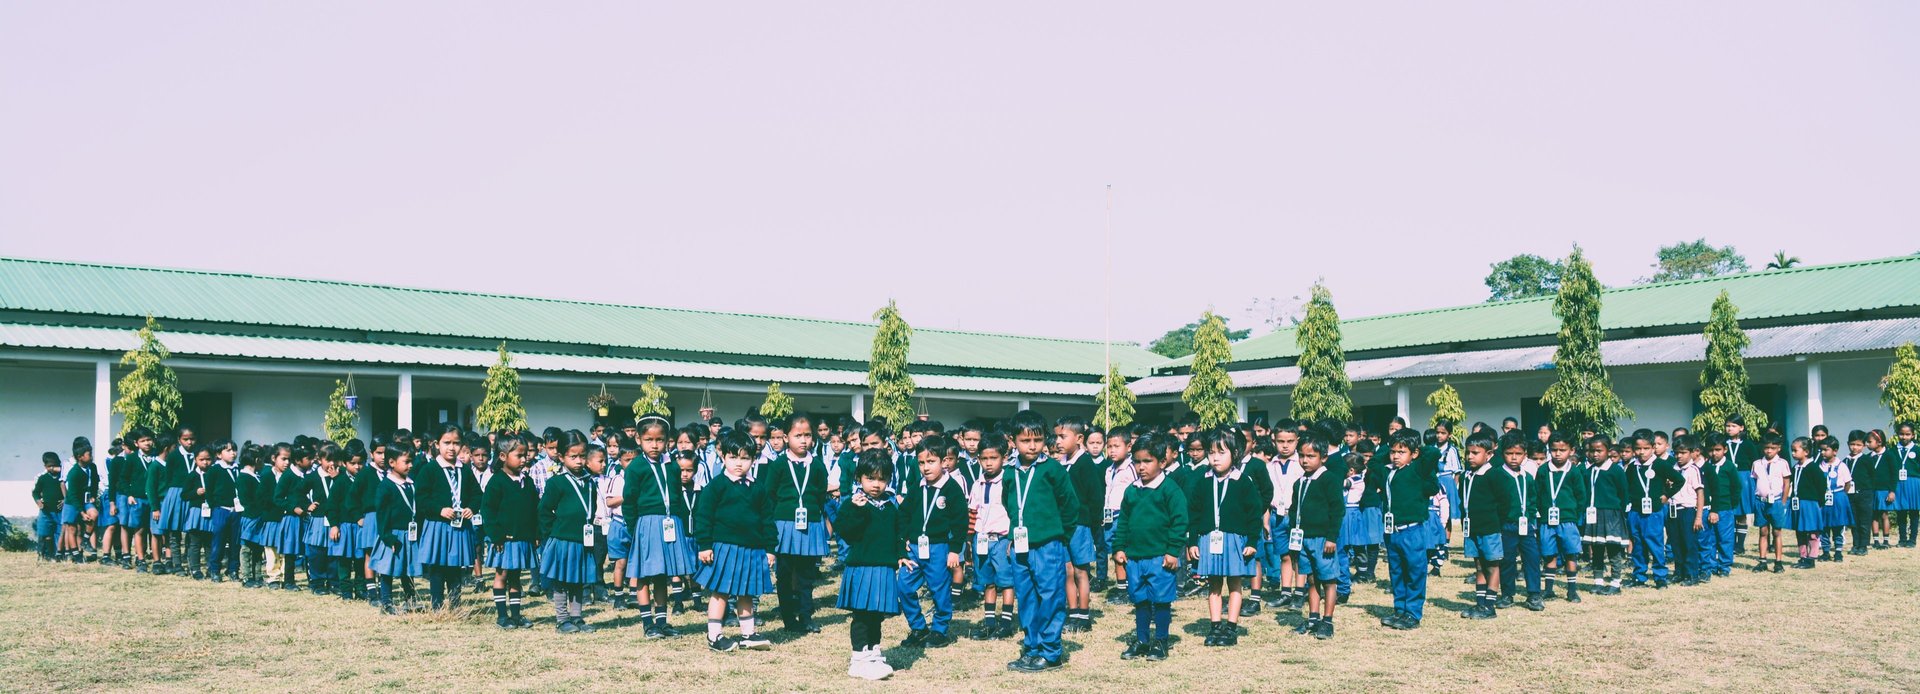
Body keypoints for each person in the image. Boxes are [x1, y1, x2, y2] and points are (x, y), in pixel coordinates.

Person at [1000, 411, 1078, 672]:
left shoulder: (1052, 469)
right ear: (1013, 441)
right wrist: (1013, 534)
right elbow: (1009, 504)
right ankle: (1032, 648)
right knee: (1027, 597)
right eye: (1025, 441)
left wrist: (1059, 536)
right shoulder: (1009, 472)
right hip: (1021, 546)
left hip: (1048, 546)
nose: (1032, 446)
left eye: (1037, 440)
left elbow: (1070, 506)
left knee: (1051, 596)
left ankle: (1051, 651)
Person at [693, 431, 776, 652]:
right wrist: (704, 545)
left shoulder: (758, 488)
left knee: (747, 592)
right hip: (724, 548)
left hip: (752, 548)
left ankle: (748, 635)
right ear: (723, 457)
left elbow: (767, 520)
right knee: (720, 592)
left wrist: (770, 549)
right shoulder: (716, 485)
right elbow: (703, 516)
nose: (739, 463)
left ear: (753, 459)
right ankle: (714, 636)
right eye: (733, 457)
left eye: (745, 458)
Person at [623, 416, 698, 638]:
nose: (654, 445)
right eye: (648, 440)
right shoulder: (636, 467)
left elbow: (676, 496)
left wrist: (680, 523)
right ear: (638, 439)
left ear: (668, 441)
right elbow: (629, 500)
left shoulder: (671, 466)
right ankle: (648, 623)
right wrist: (634, 528)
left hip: (669, 522)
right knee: (644, 575)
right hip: (646, 524)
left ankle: (663, 621)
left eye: (660, 440)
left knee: (662, 574)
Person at [756, 414, 831, 635]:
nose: (803, 440)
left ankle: (806, 616)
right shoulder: (778, 464)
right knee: (785, 573)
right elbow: (770, 494)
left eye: (807, 435)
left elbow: (819, 494)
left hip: (809, 524)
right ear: (786, 437)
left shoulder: (816, 465)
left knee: (806, 574)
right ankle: (789, 618)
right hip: (785, 525)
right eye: (798, 435)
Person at [1114, 433, 1186, 661]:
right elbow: (1123, 521)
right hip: (1135, 558)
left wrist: (1173, 551)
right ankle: (1142, 640)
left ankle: (1161, 641)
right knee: (1140, 600)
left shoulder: (1170, 489)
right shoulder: (1132, 491)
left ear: (1162, 462)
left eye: (1147, 461)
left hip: (1160, 558)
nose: (1141, 467)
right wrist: (1119, 547)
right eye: (1137, 461)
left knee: (1161, 600)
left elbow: (1180, 521)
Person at [837, 449, 906, 680]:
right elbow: (846, 532)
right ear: (859, 478)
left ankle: (873, 652)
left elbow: (898, 534)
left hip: (884, 568)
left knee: (877, 615)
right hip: (862, 566)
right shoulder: (853, 503)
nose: (876, 484)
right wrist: (856, 510)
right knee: (862, 615)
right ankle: (858, 658)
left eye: (882, 479)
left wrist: (900, 554)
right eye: (870, 478)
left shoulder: (890, 506)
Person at [1188, 427, 1259, 647]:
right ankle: (1215, 626)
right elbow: (1194, 513)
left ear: (1234, 453)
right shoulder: (1203, 481)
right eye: (1211, 453)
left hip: (1235, 540)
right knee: (1214, 585)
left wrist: (1252, 542)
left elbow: (1254, 513)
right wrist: (1192, 542)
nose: (1215, 458)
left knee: (1235, 584)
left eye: (1221, 452)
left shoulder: (1243, 481)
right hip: (1209, 539)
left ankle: (1231, 627)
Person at [898, 437, 968, 648]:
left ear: (943, 462)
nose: (926, 467)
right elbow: (903, 515)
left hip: (939, 548)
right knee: (903, 585)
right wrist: (903, 542)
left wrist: (955, 550)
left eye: (931, 462)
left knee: (939, 590)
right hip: (915, 549)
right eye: (921, 463)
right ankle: (919, 628)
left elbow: (960, 522)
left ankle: (939, 629)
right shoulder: (917, 487)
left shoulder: (952, 488)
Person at [1377, 432, 1440, 630]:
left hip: (1411, 530)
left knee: (1414, 571)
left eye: (1401, 452)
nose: (1395, 455)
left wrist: (1415, 447)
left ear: (1414, 454)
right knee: (1397, 571)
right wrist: (1389, 446)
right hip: (1392, 531)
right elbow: (1373, 463)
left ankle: (1412, 613)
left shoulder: (1418, 469)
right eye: (1393, 451)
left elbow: (1433, 453)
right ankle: (1400, 609)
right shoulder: (1388, 472)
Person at [539, 431, 599, 633]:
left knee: (578, 579)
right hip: (562, 539)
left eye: (582, 456)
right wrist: (553, 533)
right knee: (561, 581)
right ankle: (562, 619)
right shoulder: (556, 482)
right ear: (562, 457)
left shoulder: (590, 481)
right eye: (573, 457)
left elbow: (592, 507)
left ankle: (577, 617)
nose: (579, 461)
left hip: (583, 539)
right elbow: (544, 511)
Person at [1289, 436, 1344, 639]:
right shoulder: (1299, 482)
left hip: (1322, 539)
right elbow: (1294, 511)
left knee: (1328, 580)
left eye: (1311, 456)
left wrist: (1331, 538)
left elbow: (1337, 510)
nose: (1305, 460)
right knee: (1311, 580)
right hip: (1302, 539)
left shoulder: (1329, 480)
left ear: (1323, 457)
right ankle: (1313, 617)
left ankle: (1327, 620)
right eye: (1302, 456)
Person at [1054, 417, 1104, 634]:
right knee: (1066, 570)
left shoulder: (1085, 465)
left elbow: (1095, 498)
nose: (1058, 441)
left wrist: (1093, 525)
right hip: (1063, 525)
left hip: (1081, 525)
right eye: (1057, 436)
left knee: (1081, 571)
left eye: (1063, 436)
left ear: (1079, 438)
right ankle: (1072, 611)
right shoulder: (1062, 464)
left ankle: (1083, 615)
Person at [968, 435, 1017, 641]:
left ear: (1003, 458)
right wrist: (969, 540)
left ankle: (1005, 623)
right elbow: (972, 513)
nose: (989, 463)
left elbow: (1014, 511)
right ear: (979, 459)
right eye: (984, 458)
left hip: (1002, 539)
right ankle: (989, 623)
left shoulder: (1008, 481)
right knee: (987, 582)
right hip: (981, 539)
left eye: (993, 458)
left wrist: (1013, 538)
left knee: (1006, 582)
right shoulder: (977, 484)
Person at [367, 443, 422, 614]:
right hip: (392, 534)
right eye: (406, 462)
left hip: (409, 534)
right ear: (392, 462)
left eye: (411, 461)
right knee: (387, 570)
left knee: (408, 568)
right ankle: (386, 603)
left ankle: (410, 599)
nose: (410, 465)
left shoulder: (411, 484)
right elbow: (381, 514)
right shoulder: (386, 486)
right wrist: (387, 536)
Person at [1533, 432, 1587, 602]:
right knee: (1549, 555)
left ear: (1571, 451)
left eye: (1562, 450)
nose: (1557, 453)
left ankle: (1572, 590)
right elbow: (1537, 494)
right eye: (1554, 450)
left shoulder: (1574, 472)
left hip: (1568, 521)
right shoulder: (1543, 470)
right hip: (1547, 521)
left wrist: (1575, 516)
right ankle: (1548, 589)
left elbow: (1581, 496)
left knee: (1571, 554)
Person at [1458, 436, 1504, 619]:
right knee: (1478, 565)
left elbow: (1503, 502)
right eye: (1468, 452)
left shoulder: (1495, 474)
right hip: (1472, 529)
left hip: (1489, 529)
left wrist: (1497, 524)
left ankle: (1490, 606)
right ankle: (1480, 603)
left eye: (1475, 453)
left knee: (1492, 565)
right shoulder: (1466, 475)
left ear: (1489, 454)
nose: (1470, 456)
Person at [1666, 436, 1706, 586]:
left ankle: (1692, 574)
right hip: (1672, 510)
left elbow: (1700, 493)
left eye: (1683, 452)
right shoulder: (1673, 469)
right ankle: (1679, 572)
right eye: (1676, 453)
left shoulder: (1693, 470)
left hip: (1687, 510)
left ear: (1691, 453)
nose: (1679, 456)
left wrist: (1698, 517)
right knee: (1676, 543)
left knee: (1689, 543)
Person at [1752, 435, 1792, 572]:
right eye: (1767, 448)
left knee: (1777, 532)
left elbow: (1787, 483)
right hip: (1761, 502)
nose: (1769, 451)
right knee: (1763, 531)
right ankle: (1762, 560)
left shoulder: (1783, 463)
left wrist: (1784, 501)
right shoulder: (1757, 463)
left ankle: (1778, 561)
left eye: (1773, 448)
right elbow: (1754, 481)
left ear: (1778, 449)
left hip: (1776, 501)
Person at [1788, 437, 1829, 569]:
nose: (1793, 453)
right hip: (1798, 503)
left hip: (1810, 503)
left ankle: (1812, 558)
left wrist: (1819, 502)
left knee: (1812, 532)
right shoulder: (1795, 468)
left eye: (1795, 450)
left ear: (1806, 452)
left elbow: (1822, 486)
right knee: (1800, 531)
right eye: (1792, 451)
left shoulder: (1813, 468)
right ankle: (1803, 556)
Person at [1884, 423, 1920, 547]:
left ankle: (1913, 539)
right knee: (1901, 511)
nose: (1904, 437)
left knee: (1914, 511)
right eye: (1901, 434)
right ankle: (1903, 538)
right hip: (1899, 483)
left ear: (1913, 435)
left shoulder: (1917, 450)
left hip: (1914, 483)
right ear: (1897, 434)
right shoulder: (1893, 450)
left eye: (1907, 434)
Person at [1818, 438, 1853, 563]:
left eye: (1826, 450)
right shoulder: (1820, 466)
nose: (1823, 452)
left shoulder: (1842, 466)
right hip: (1824, 499)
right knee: (1824, 526)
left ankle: (1838, 551)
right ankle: (1825, 552)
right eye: (1821, 450)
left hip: (1838, 497)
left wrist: (1841, 496)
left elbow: (1847, 483)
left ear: (1835, 451)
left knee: (1838, 526)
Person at [33, 453, 63, 561]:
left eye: (54, 465)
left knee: (59, 533)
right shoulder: (43, 478)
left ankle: (57, 555)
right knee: (44, 532)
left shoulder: (62, 478)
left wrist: (65, 500)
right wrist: (38, 501)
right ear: (45, 466)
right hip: (46, 511)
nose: (51, 468)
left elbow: (68, 492)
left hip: (60, 511)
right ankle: (42, 554)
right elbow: (35, 492)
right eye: (49, 466)